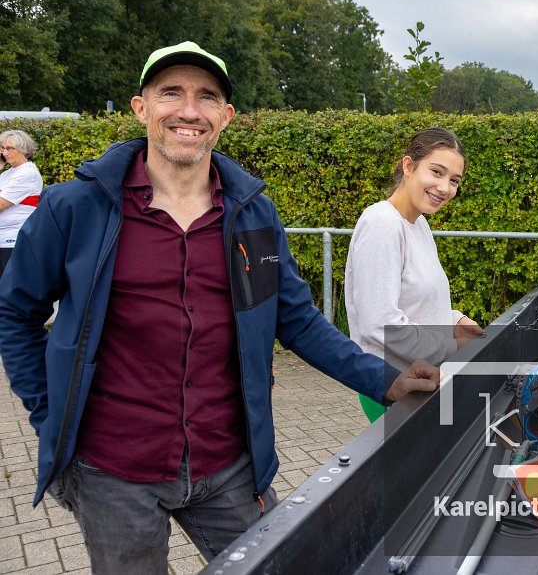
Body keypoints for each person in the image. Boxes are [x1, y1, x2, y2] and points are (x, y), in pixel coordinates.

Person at [0, 41, 438, 573]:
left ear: (225, 116)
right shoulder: (75, 207)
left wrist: (387, 380)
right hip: (112, 471)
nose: (189, 110)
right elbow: (15, 313)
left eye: (207, 96)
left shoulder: (253, 215)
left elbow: (297, 321)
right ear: (141, 107)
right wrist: (48, 414)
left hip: (228, 465)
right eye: (171, 93)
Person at [345, 128, 483, 420]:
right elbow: (379, 324)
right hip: (393, 383)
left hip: (421, 378)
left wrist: (455, 321)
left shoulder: (418, 223)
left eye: (454, 180)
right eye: (437, 172)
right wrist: (452, 345)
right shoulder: (382, 224)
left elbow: (418, 300)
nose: (444, 187)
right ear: (408, 166)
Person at [0, 129, 43, 275]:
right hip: (3, 240)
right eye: (3, 148)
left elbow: (1, 204)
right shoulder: (7, 174)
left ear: (23, 150)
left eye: (10, 148)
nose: (4, 153)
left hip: (13, 241)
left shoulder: (27, 173)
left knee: (9, 287)